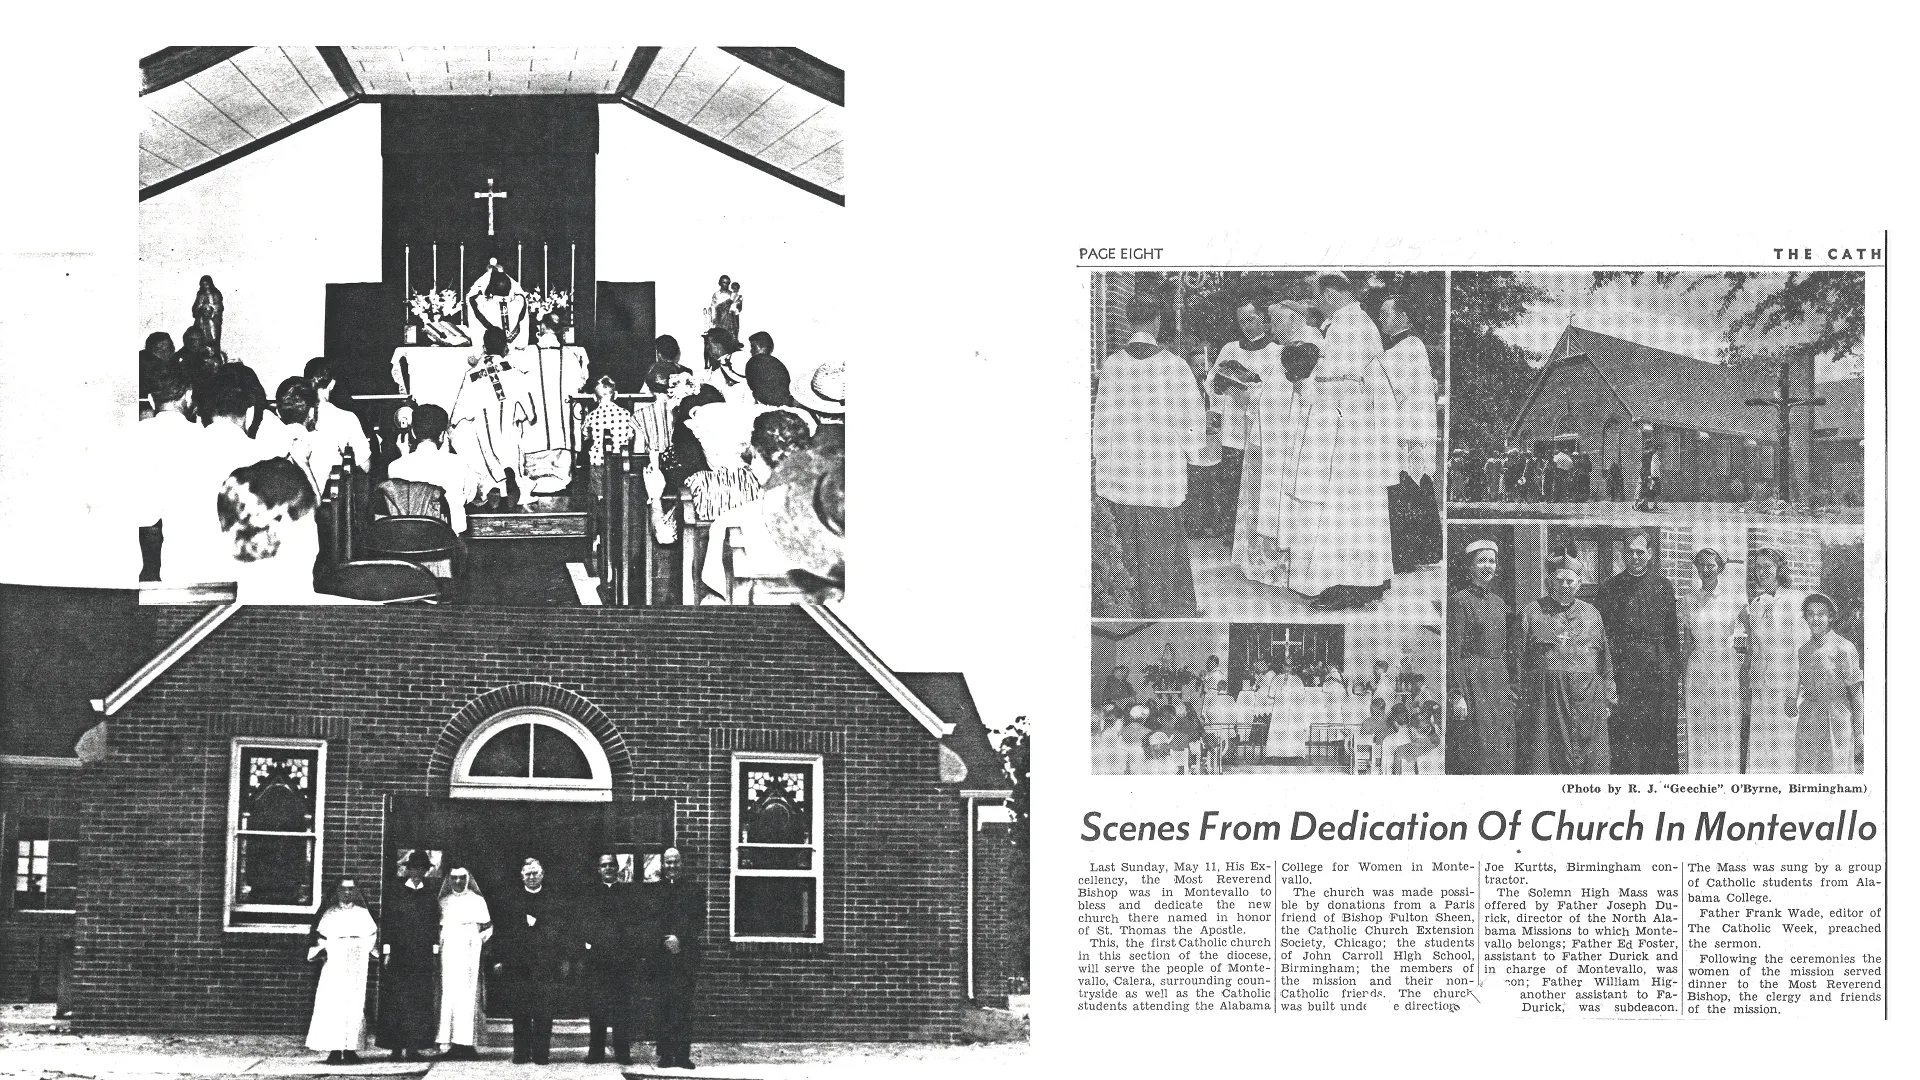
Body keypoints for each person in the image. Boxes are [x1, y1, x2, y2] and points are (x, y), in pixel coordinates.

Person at [1091, 294, 1203, 617]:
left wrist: (1103, 465)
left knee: (1129, 542)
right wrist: (1193, 453)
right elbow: (1190, 423)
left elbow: (1103, 421)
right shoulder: (1175, 366)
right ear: (1156, 321)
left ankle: (1134, 608)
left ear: (1129, 321)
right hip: (1162, 474)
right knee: (1162, 543)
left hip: (1123, 473)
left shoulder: (1112, 366)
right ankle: (1168, 608)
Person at [1236, 302, 1319, 587]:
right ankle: (1267, 563)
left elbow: (1296, 396)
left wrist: (1255, 395)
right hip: (1271, 439)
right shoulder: (1293, 344)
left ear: (1292, 319)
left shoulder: (1307, 344)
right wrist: (1253, 391)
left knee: (1280, 503)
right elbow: (1275, 391)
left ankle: (1282, 567)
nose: (1271, 329)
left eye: (1274, 322)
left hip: (1289, 442)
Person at [1517, 553, 1616, 774]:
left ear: (1579, 583)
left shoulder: (1592, 614)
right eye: (1559, 580)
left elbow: (1605, 660)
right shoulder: (1532, 612)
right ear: (1549, 580)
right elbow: (1518, 660)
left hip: (1588, 703)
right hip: (1546, 703)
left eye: (1570, 581)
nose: (1564, 585)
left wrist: (1608, 698)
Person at [1593, 530, 1680, 774]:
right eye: (1629, 552)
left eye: (1640, 552)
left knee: (1659, 735)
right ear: (1622, 554)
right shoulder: (1610, 588)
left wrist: (1673, 674)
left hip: (1659, 671)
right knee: (1627, 736)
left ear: (1650, 554)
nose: (1635, 557)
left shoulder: (1663, 586)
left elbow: (1672, 634)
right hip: (1625, 671)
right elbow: (1604, 637)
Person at [1212, 297, 1287, 551]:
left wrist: (1251, 385)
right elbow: (1212, 382)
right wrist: (1223, 389)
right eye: (1241, 320)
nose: (1245, 325)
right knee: (1231, 483)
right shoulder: (1229, 349)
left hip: (1262, 429)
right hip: (1234, 425)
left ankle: (1258, 535)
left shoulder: (1277, 352)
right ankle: (1232, 534)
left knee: (1259, 484)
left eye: (1251, 319)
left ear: (1265, 319)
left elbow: (1279, 390)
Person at [1377, 295, 1441, 571]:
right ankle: (1419, 553)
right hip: (1414, 428)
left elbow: (1394, 391)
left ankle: (1407, 556)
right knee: (1414, 490)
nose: (1381, 320)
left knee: (1407, 490)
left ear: (1402, 316)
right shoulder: (1413, 346)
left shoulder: (1403, 350)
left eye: (1385, 314)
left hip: (1406, 431)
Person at [490, 857, 569, 1065]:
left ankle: (541, 1054)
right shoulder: (512, 900)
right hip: (518, 964)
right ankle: (521, 1053)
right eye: (528, 874)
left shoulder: (553, 899)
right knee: (520, 1009)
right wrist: (499, 958)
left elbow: (561, 931)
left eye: (535, 874)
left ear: (542, 875)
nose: (531, 877)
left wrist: (563, 958)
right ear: (521, 877)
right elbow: (503, 931)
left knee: (544, 1010)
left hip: (546, 962)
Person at [213, 458, 322, 601]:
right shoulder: (282, 573)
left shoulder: (257, 570)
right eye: (285, 516)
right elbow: (316, 513)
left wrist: (303, 464)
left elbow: (316, 509)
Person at [449, 327, 536, 503]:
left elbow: (460, 407)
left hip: (484, 429)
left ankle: (493, 487)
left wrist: (454, 422)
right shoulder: (513, 369)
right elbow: (526, 401)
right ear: (505, 347)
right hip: (508, 426)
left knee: (483, 451)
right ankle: (515, 484)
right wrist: (530, 414)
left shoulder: (472, 374)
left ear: (484, 347)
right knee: (513, 447)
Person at [1743, 546, 1809, 773]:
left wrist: (1793, 694)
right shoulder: (1756, 604)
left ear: (1779, 569)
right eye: (1757, 568)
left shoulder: (1796, 601)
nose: (1761, 572)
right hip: (1761, 687)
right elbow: (1755, 648)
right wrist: (1750, 687)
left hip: (1785, 689)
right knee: (1761, 750)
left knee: (1783, 751)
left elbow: (1800, 651)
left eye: (1767, 567)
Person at [1680, 547, 1744, 773]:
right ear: (1696, 567)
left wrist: (1746, 665)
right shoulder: (1689, 599)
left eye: (1711, 565)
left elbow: (1753, 634)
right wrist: (1681, 677)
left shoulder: (1734, 597)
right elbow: (1687, 642)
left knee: (1724, 725)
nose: (1706, 570)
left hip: (1724, 665)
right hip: (1697, 666)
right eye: (1702, 565)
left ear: (1720, 568)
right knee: (1699, 725)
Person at [1788, 594, 1865, 774]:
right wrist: (1791, 700)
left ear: (1830, 617)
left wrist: (1859, 733)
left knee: (1834, 773)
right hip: (1808, 718)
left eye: (1821, 614)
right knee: (1806, 772)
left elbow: (1856, 693)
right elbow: (1798, 681)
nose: (1815, 619)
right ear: (1805, 617)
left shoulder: (1844, 648)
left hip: (1836, 718)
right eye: (1810, 614)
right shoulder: (1803, 650)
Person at [376, 851, 440, 1060]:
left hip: (420, 956)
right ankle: (395, 1048)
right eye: (413, 868)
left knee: (418, 1001)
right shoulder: (396, 892)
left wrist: (434, 951)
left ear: (425, 871)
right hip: (398, 956)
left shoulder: (431, 894)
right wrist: (386, 951)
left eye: (421, 869)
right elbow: (388, 923)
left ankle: (414, 1047)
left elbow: (433, 925)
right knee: (396, 1000)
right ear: (407, 869)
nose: (417, 873)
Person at [306, 879, 377, 1065]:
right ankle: (335, 1050)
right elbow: (320, 939)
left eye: (351, 889)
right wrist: (328, 949)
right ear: (337, 892)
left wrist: (360, 948)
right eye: (343, 889)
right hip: (335, 964)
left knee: (354, 1003)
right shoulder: (329, 914)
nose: (347, 893)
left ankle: (351, 1049)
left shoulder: (362, 914)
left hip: (357, 964)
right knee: (334, 1004)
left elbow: (371, 937)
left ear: (355, 892)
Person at [646, 847, 705, 1070]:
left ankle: (682, 1055)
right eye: (668, 863)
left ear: (682, 864)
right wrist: (665, 939)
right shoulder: (654, 891)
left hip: (685, 957)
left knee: (683, 1007)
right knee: (663, 1007)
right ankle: (665, 1055)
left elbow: (698, 920)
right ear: (663, 865)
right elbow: (651, 920)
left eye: (675, 862)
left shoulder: (695, 890)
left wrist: (680, 939)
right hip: (661, 957)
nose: (671, 867)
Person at [388, 404, 483, 537]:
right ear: (442, 435)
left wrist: (403, 456)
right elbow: (469, 496)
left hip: (410, 544)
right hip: (447, 546)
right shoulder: (459, 463)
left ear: (413, 433)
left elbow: (402, 498)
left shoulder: (394, 467)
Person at [581, 854, 637, 1064]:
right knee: (597, 1008)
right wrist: (588, 944)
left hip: (621, 960)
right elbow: (583, 922)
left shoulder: (628, 893)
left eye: (611, 865)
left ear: (617, 868)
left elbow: (633, 924)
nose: (608, 869)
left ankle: (622, 1053)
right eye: (604, 865)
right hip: (597, 959)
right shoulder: (590, 894)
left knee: (622, 1008)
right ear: (598, 869)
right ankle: (596, 1052)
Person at [435, 867, 491, 1060]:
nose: (458, 882)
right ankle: (449, 1043)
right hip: (449, 951)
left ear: (468, 879)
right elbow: (437, 928)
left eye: (462, 878)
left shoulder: (477, 900)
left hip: (470, 953)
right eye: (454, 878)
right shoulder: (443, 901)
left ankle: (467, 1044)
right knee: (449, 995)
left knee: (468, 996)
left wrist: (478, 939)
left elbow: (488, 927)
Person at [257, 378, 341, 500]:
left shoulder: (264, 441)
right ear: (312, 412)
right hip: (309, 513)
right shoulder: (327, 444)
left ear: (278, 412)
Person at [303, 357, 372, 468]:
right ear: (332, 384)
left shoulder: (298, 415)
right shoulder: (347, 418)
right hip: (334, 482)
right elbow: (365, 465)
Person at [743, 331, 798, 408]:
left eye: (753, 347)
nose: (751, 351)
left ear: (763, 347)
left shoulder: (755, 361)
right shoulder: (777, 363)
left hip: (767, 404)